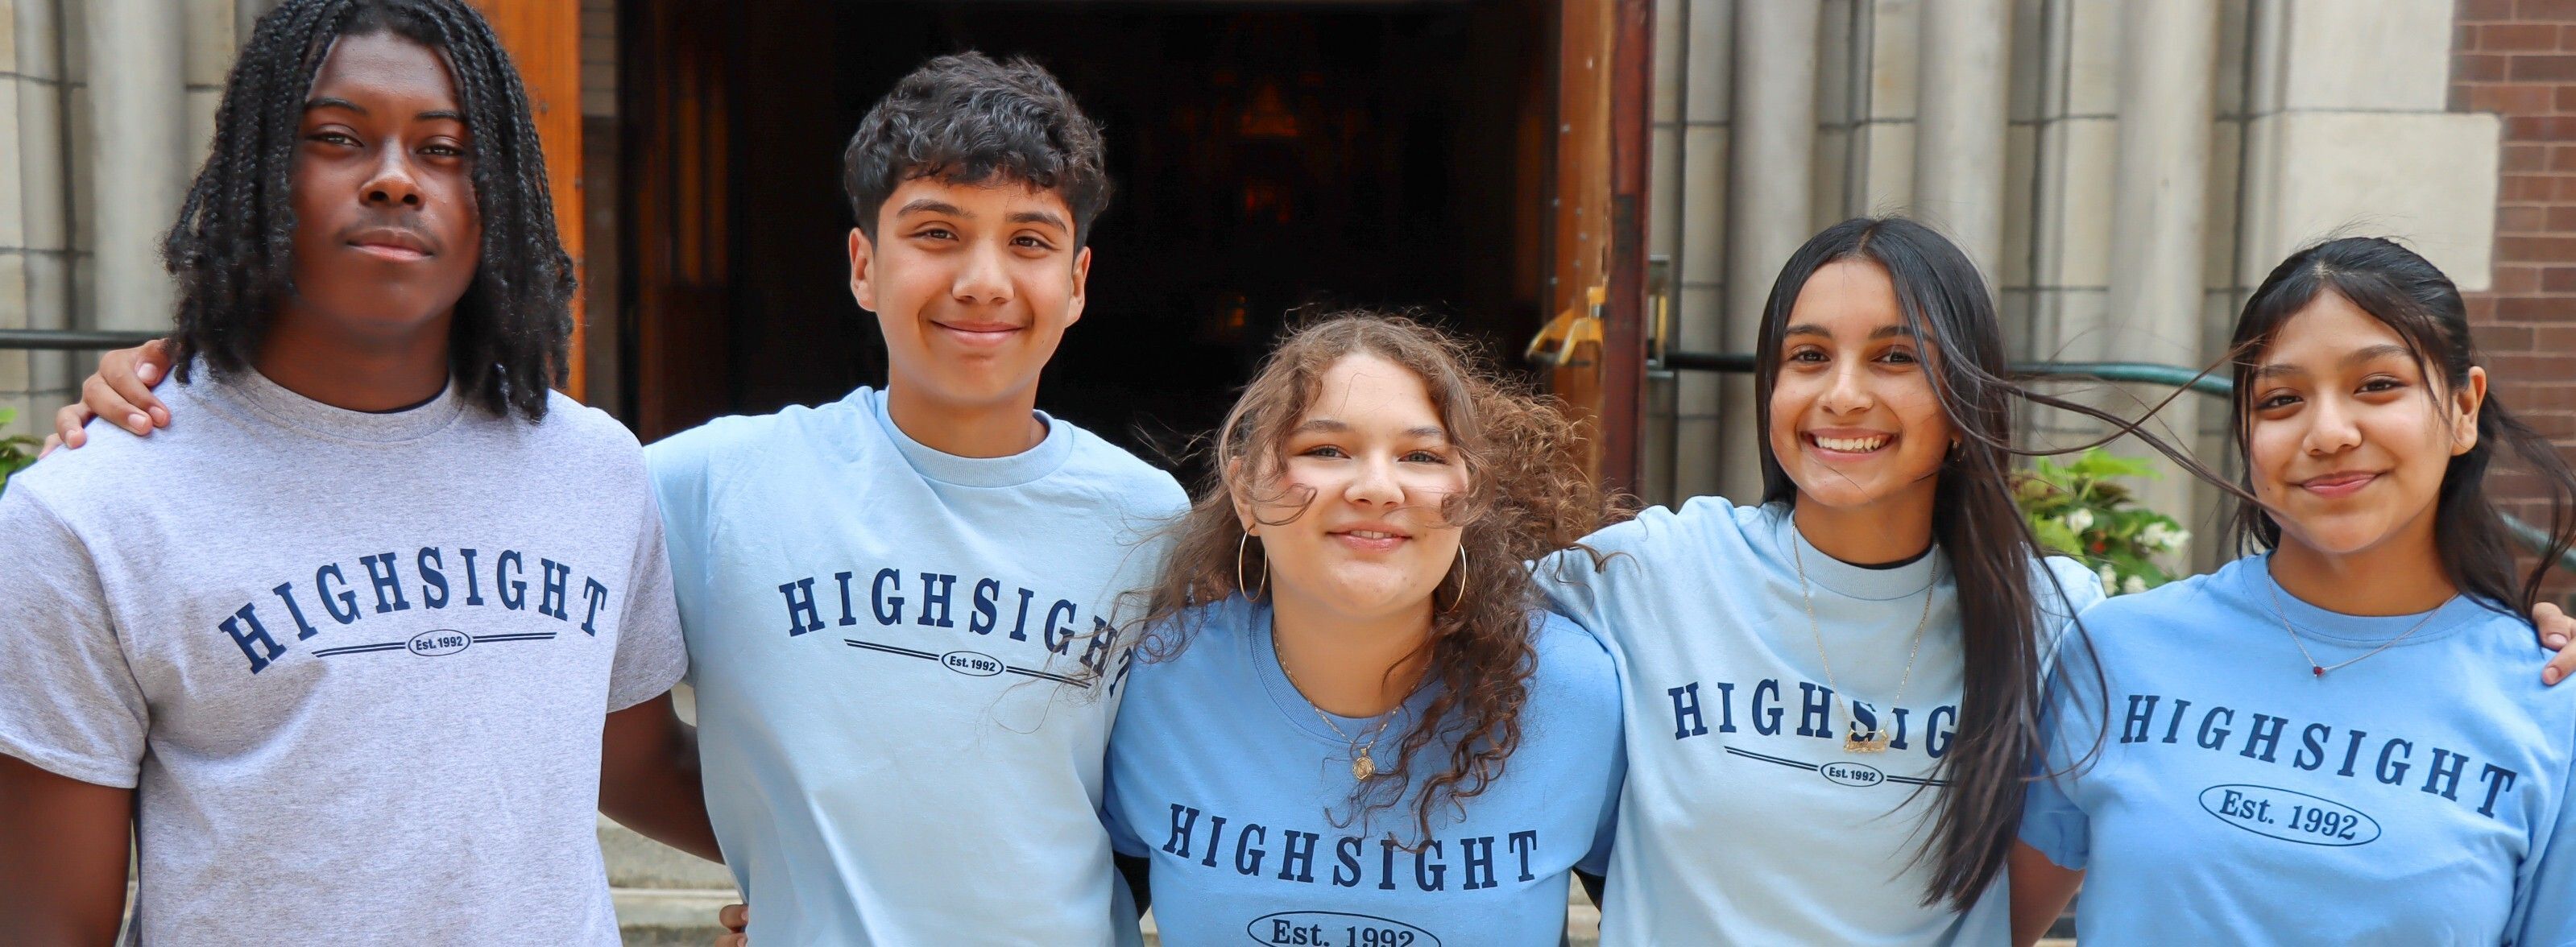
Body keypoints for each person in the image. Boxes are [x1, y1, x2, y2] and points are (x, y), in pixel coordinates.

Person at [1531, 217, 2576, 945]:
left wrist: (2506, 637)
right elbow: (1435, 619)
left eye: (1896, 357)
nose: (1841, 394)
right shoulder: (1651, 570)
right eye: (1806, 356)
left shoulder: (2059, 620)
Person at [0, 1, 709, 943]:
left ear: (499, 197)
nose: (394, 181)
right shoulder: (93, 510)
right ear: (259, 174)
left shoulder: (595, 470)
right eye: (337, 138)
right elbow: (48, 922)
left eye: (446, 150)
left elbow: (640, 762)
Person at [2010, 237, 2576, 944]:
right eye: (2282, 400)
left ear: (2465, 408)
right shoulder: (2115, 650)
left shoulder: (2551, 704)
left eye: (2377, 385)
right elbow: (1977, 927)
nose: (2330, 433)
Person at [1103, 313, 1624, 944]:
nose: (1378, 488)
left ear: (1471, 497)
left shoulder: (1575, 693)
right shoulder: (1155, 683)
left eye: (1422, 456)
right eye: (1325, 450)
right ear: (1246, 494)